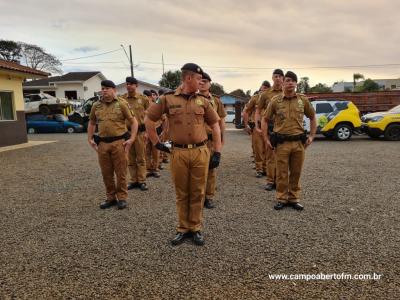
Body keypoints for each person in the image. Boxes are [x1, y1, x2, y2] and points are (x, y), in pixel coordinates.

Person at [145, 63, 222, 246]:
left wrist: (217, 151)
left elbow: (216, 125)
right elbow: (149, 119)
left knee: (198, 191)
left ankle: (195, 228)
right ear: (188, 78)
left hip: (200, 151)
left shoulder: (203, 101)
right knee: (182, 192)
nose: (201, 82)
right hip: (178, 152)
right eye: (198, 79)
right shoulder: (167, 99)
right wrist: (157, 143)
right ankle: (182, 228)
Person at [264, 71, 317, 210]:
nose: (290, 83)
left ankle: (293, 198)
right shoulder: (275, 101)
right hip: (282, 143)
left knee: (296, 172)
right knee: (281, 173)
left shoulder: (302, 100)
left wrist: (311, 135)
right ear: (283, 82)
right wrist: (266, 138)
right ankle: (281, 198)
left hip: (299, 143)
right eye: (287, 80)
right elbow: (265, 119)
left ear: (296, 84)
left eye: (293, 80)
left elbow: (312, 117)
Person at [87, 80, 138, 209]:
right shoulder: (96, 105)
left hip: (119, 143)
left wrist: (131, 139)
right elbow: (92, 123)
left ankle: (122, 197)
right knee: (106, 172)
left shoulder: (122, 104)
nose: (104, 90)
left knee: (120, 172)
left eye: (107, 88)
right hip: (103, 143)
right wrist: (90, 139)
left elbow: (133, 122)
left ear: (114, 90)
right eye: (103, 88)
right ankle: (110, 197)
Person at [199, 72, 226, 209]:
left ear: (210, 83)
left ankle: (208, 197)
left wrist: (221, 139)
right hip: (197, 141)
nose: (202, 83)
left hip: (211, 140)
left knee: (211, 169)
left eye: (205, 81)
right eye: (200, 80)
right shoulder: (192, 98)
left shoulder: (216, 101)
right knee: (197, 170)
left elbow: (221, 121)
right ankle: (198, 196)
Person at [121, 77, 150, 191]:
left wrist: (147, 131)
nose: (129, 86)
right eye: (127, 84)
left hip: (140, 133)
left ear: (136, 85)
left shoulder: (143, 99)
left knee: (141, 158)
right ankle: (134, 180)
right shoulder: (122, 99)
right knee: (130, 158)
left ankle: (142, 181)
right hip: (127, 133)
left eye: (131, 84)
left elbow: (149, 116)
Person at [258, 69, 284, 191]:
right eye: (275, 76)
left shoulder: (287, 92)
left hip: (284, 128)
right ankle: (270, 181)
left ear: (283, 78)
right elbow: (259, 110)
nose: (277, 78)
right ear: (272, 78)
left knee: (282, 156)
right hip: (270, 127)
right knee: (270, 156)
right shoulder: (266, 94)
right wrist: (258, 125)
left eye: (280, 76)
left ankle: (280, 181)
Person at [243, 81, 270, 177]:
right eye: (263, 88)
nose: (265, 89)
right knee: (258, 149)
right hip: (257, 127)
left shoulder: (272, 98)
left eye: (267, 88)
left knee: (268, 149)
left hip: (269, 127)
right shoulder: (255, 98)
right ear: (260, 88)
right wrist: (246, 125)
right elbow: (246, 111)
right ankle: (259, 169)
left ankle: (266, 169)